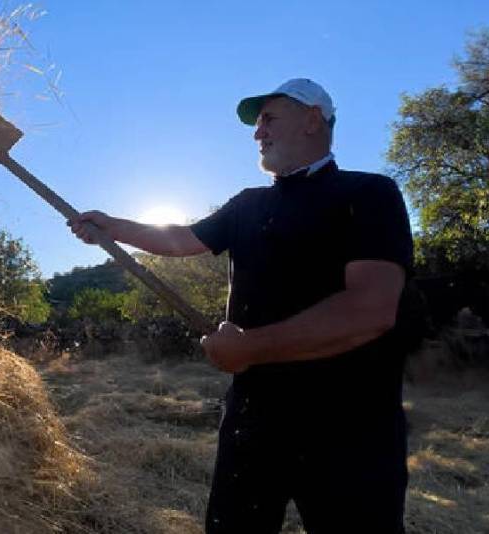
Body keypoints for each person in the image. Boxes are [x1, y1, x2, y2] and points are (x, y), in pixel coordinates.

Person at [69, 78, 413, 533]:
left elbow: (370, 309)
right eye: (257, 124)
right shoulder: (248, 205)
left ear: (313, 119)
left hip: (351, 427)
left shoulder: (369, 194)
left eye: (268, 118)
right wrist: (113, 226)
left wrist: (249, 348)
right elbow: (180, 239)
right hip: (254, 421)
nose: (257, 133)